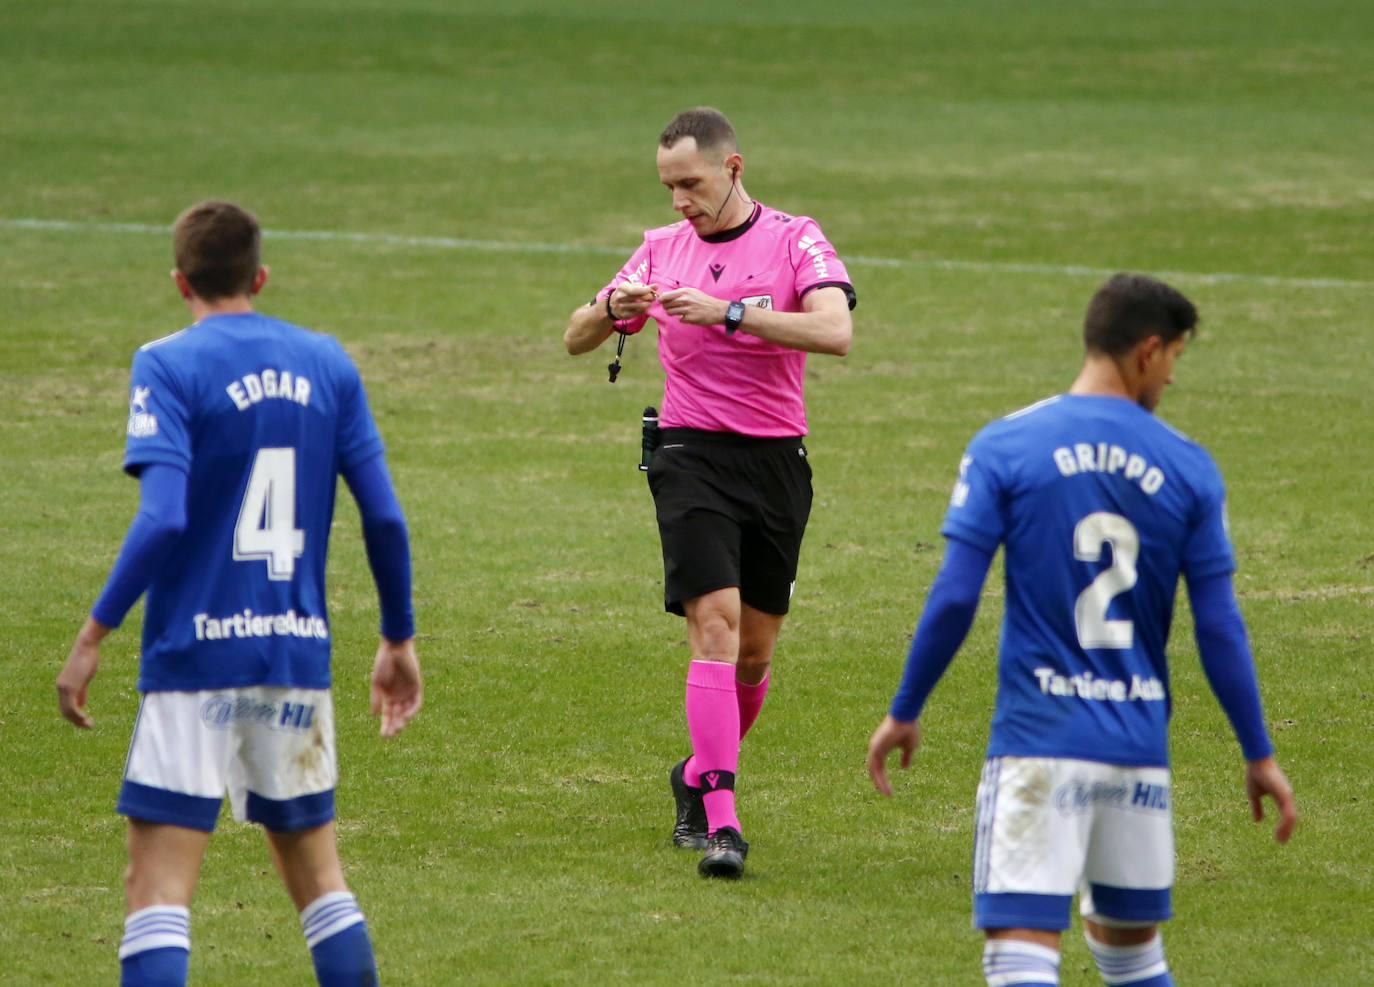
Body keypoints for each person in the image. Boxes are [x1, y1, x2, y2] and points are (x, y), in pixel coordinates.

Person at [866, 273, 1297, 986]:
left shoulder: (1006, 445)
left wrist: (905, 709)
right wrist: (1258, 752)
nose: (1171, 376)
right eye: (1174, 358)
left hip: (1038, 744)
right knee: (1132, 956)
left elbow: (954, 596)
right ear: (1147, 350)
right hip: (1137, 752)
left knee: (1020, 959)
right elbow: (1220, 626)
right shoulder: (1190, 466)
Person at [56, 200, 422, 987]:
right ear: (260, 277)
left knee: (157, 892)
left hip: (192, 658)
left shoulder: (166, 363)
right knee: (321, 883)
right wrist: (398, 635)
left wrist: (92, 635)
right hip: (292, 656)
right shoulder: (327, 362)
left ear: (179, 281)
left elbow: (162, 516)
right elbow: (386, 517)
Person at [564, 107, 856, 878]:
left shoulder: (795, 238)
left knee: (753, 655)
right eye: (668, 186)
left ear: (732, 168)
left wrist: (731, 313)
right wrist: (611, 308)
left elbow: (834, 332)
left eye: (690, 184)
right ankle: (723, 822)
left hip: (776, 461)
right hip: (689, 454)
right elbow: (575, 336)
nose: (678, 201)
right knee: (716, 625)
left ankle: (694, 773)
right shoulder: (661, 248)